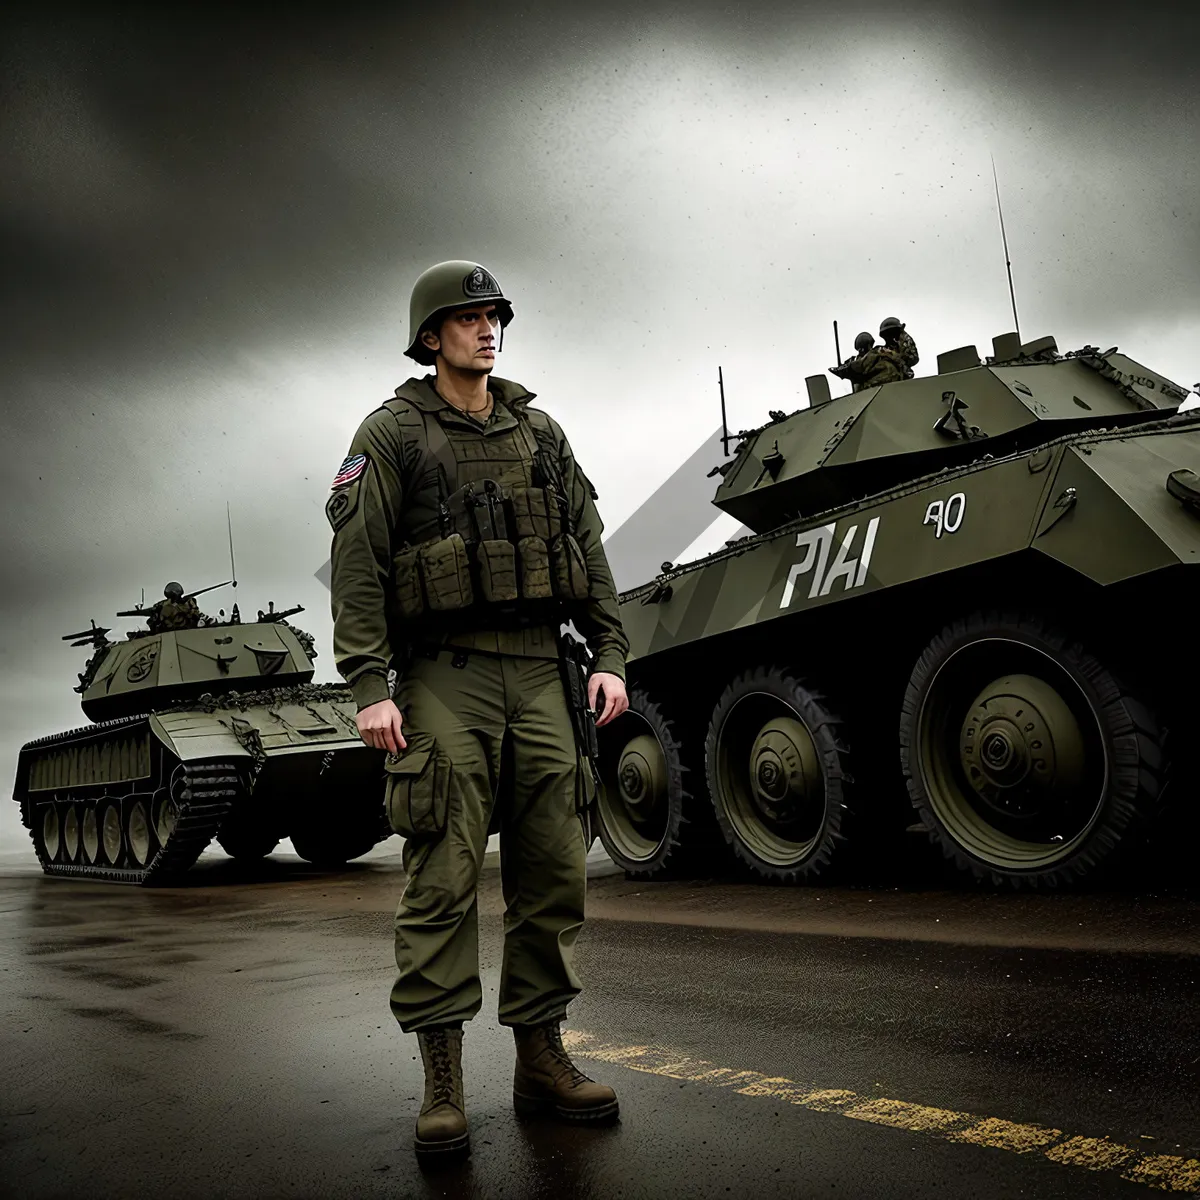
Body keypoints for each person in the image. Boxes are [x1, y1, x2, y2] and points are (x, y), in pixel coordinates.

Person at [327, 260, 629, 1161]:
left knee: (553, 871)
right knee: (443, 876)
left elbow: (587, 545)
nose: (486, 329)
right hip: (444, 676)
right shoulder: (391, 435)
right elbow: (358, 564)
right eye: (467, 318)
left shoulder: (540, 430)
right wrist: (369, 686)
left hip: (543, 672)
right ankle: (444, 1082)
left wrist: (611, 654)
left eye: (495, 315)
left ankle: (541, 1059)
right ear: (431, 336)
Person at [829, 332, 907, 392]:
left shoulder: (876, 352)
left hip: (881, 387)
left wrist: (845, 369)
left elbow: (860, 364)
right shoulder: (858, 359)